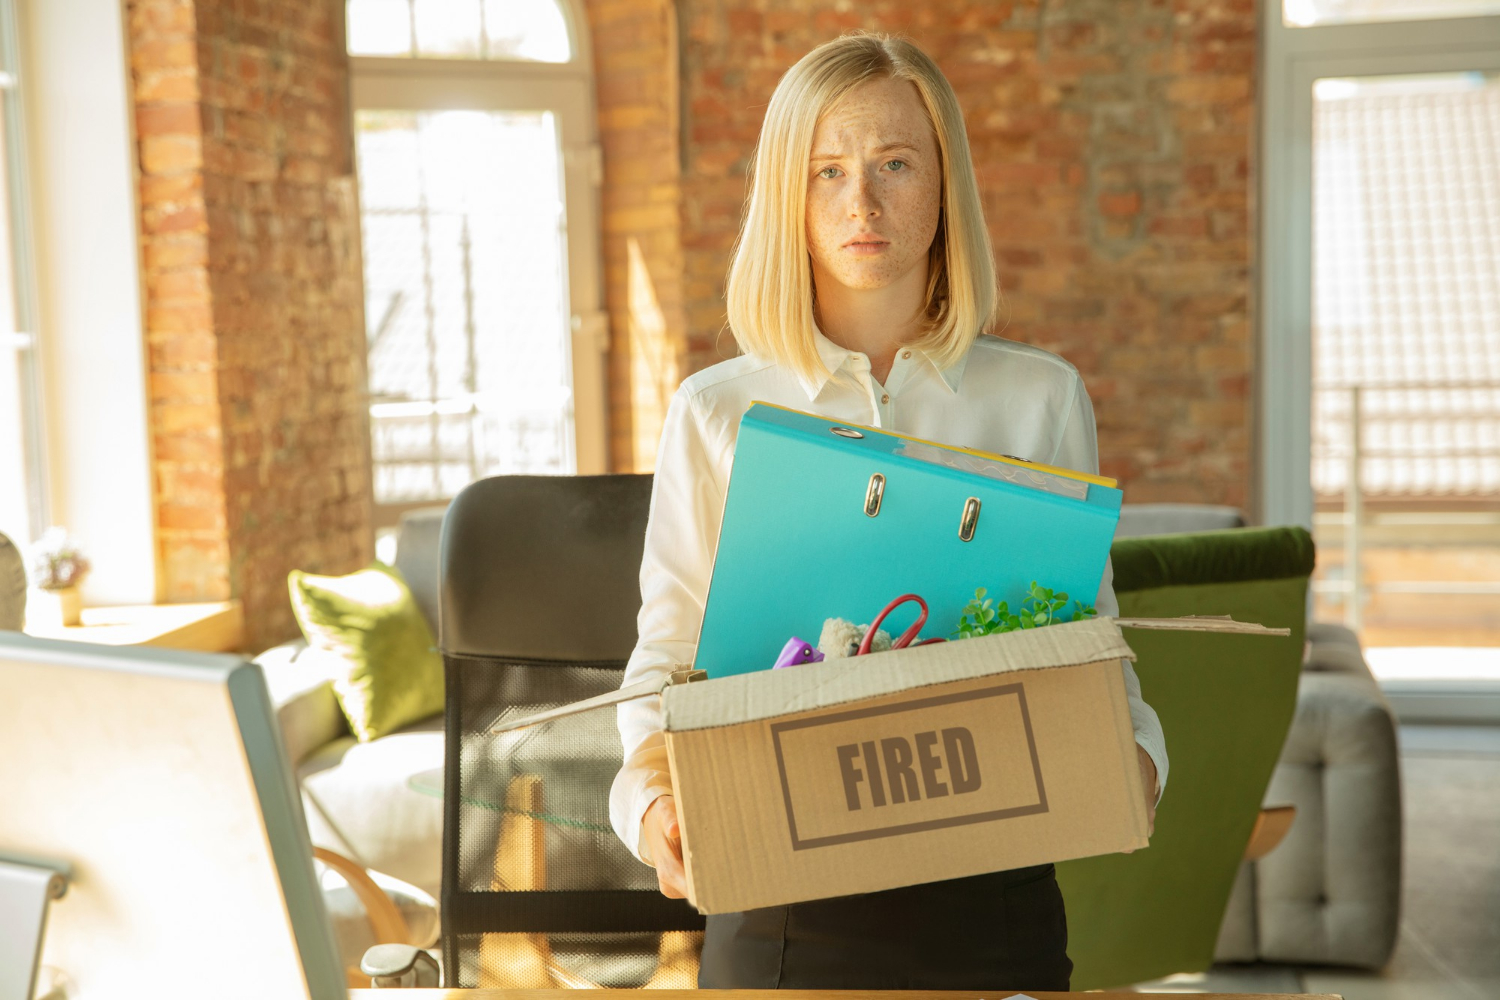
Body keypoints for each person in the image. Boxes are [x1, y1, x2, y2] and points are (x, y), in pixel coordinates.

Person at [609, 31, 1168, 992]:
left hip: (992, 896)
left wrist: (1135, 766)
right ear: (790, 194)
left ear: (945, 184)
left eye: (894, 164)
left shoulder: (1039, 400)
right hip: (782, 907)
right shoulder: (715, 412)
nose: (861, 202)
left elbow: (1091, 647)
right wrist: (654, 807)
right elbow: (664, 666)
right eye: (827, 170)